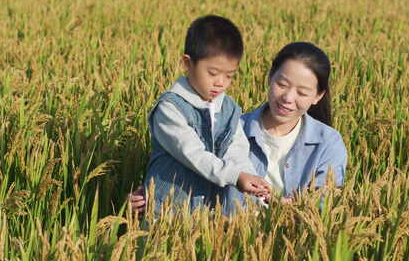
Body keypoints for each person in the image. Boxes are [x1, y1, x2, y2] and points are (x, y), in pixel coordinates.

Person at [131, 41, 347, 214]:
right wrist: (154, 194)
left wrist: (290, 207)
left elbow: (326, 201)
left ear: (318, 96)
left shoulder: (328, 142)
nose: (288, 98)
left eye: (302, 92)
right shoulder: (230, 127)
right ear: (269, 78)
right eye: (282, 85)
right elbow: (195, 166)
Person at [142, 15, 270, 216]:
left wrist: (252, 179)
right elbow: (194, 154)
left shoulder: (228, 108)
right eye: (212, 73)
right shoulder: (170, 109)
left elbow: (237, 150)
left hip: (209, 212)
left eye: (229, 75)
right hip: (169, 209)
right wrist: (236, 176)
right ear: (187, 63)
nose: (220, 82)